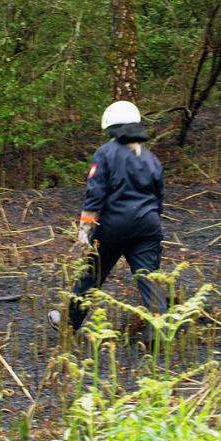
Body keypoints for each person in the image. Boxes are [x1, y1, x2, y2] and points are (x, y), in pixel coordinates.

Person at [48, 100, 166, 339]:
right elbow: (159, 197)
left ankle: (69, 323)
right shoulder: (152, 158)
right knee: (149, 278)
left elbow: (95, 194)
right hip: (148, 226)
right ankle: (160, 330)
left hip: (113, 227)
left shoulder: (105, 153)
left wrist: (84, 228)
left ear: (110, 126)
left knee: (91, 276)